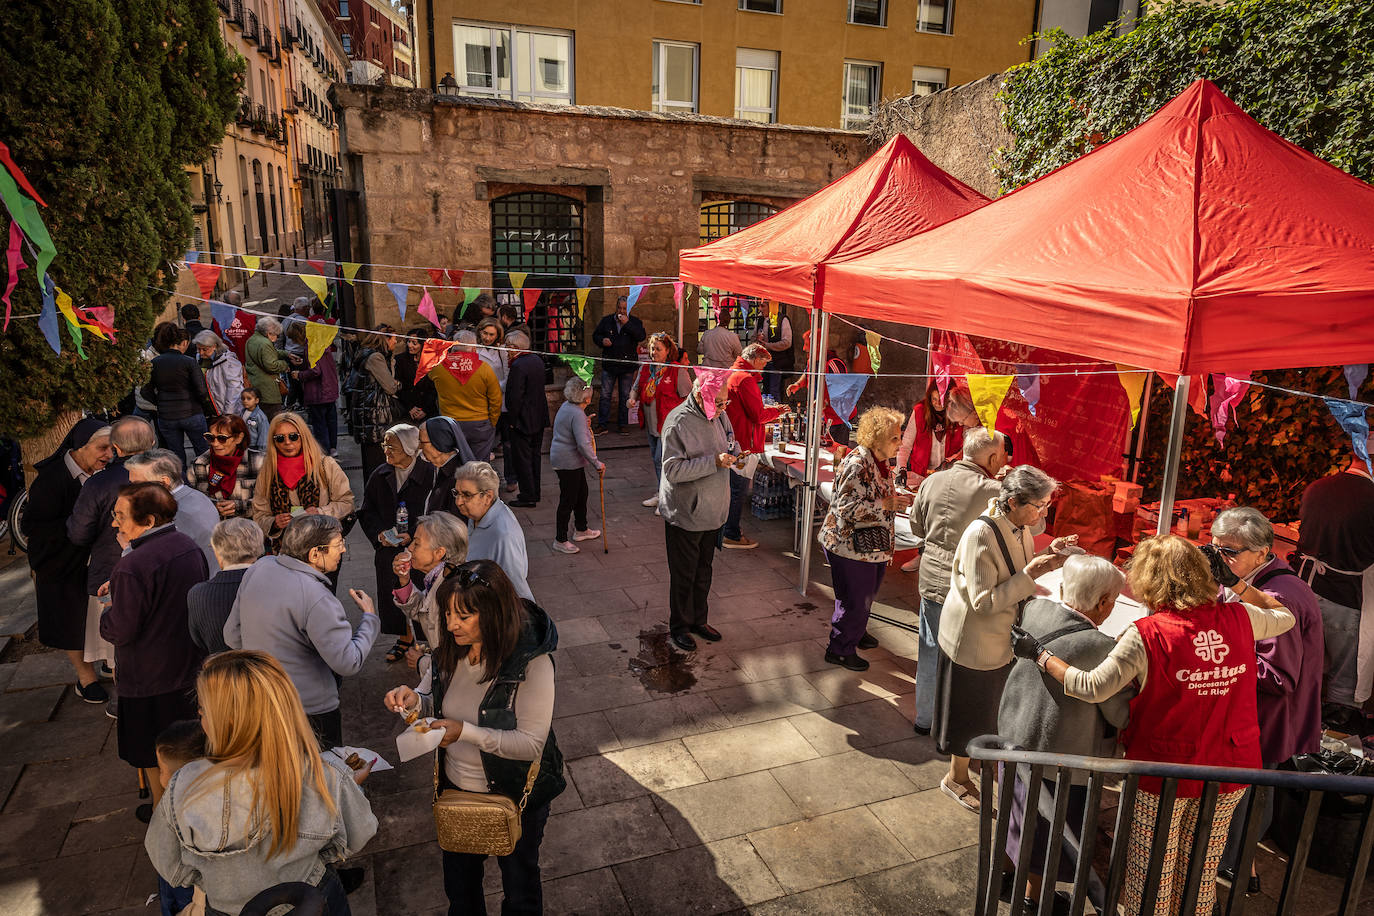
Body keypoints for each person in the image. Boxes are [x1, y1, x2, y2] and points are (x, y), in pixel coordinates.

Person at [1016, 534, 1295, 916]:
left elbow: (1091, 686)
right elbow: (1286, 616)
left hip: (1164, 770)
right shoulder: (1240, 617)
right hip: (1232, 764)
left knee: (1151, 870)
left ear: (1147, 580)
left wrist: (1040, 654)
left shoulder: (1146, 633)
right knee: (1200, 866)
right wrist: (1238, 584)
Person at [382, 560, 565, 916]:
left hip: (515, 797)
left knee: (520, 889)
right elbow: (434, 702)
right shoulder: (451, 650)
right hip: (457, 793)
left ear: (494, 614)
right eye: (448, 613)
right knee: (461, 891)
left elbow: (530, 744)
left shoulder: (533, 663)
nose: (450, 626)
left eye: (463, 617)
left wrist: (463, 731)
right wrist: (413, 702)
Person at [146, 650, 378, 916]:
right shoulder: (321, 775)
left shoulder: (183, 785)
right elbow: (357, 834)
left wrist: (219, 880)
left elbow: (171, 865)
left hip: (225, 908)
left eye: (203, 712)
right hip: (312, 900)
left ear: (227, 721)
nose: (202, 722)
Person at [997, 555, 1134, 911]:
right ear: (1104, 602)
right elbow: (1119, 712)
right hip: (1058, 754)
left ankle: (1003, 879)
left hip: (1013, 735)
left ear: (1062, 588)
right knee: (1045, 835)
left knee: (1015, 818)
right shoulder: (1101, 646)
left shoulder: (1036, 610)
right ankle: (1033, 901)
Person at [936, 464, 1071, 812]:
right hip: (974, 640)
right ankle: (957, 777)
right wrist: (1032, 574)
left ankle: (971, 767)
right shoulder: (982, 533)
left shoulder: (1018, 525)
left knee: (988, 707)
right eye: (1039, 505)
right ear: (1012, 501)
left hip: (997, 638)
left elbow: (1016, 570)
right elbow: (983, 602)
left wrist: (1047, 555)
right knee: (968, 712)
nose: (1043, 512)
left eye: (1046, 505)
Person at [1209, 507, 1324, 891]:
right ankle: (1242, 864)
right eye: (1215, 548)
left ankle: (1237, 864)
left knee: (1248, 795)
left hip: (1267, 716)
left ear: (1262, 553)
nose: (1220, 559)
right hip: (1258, 715)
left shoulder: (1278, 595)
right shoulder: (1253, 579)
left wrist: (1218, 657)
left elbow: (1277, 677)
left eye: (1230, 552)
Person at [225, 515, 380, 749]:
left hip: (263, 702)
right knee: (320, 778)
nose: (344, 550)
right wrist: (369, 617)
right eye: (338, 545)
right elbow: (348, 662)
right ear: (315, 554)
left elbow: (232, 636)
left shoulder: (260, 567)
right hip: (311, 711)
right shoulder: (317, 597)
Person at [100, 482, 210, 812]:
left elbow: (121, 629)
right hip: (187, 668)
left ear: (148, 520)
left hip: (147, 678)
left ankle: (165, 813)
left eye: (120, 515)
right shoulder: (188, 546)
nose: (114, 523)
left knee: (152, 752)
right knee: (191, 748)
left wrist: (107, 611)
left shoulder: (132, 566)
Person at [906, 427, 1010, 733]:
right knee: (964, 659)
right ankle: (952, 726)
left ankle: (924, 718)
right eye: (1002, 453)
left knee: (929, 651)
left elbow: (916, 526)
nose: (1004, 459)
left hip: (932, 579)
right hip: (966, 584)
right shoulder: (993, 490)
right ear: (992, 457)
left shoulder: (932, 480)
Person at [24, 418, 113, 703]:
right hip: (58, 562)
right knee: (69, 621)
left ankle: (106, 661)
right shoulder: (51, 481)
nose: (108, 455)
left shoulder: (103, 471)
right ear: (81, 446)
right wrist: (82, 524)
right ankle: (85, 677)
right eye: (102, 448)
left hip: (90, 559)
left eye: (112, 449)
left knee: (96, 616)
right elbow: (32, 527)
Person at [818, 407, 911, 672]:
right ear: (877, 438)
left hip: (871, 546)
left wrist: (891, 501)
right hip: (850, 547)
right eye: (895, 438)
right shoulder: (857, 463)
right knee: (854, 600)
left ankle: (855, 632)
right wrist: (886, 504)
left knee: (865, 596)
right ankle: (840, 648)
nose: (900, 443)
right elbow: (844, 507)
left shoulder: (880, 461)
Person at [67, 415, 158, 677]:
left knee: (119, 656)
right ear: (151, 442)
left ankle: (125, 709)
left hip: (111, 574)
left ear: (116, 448)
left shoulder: (98, 483)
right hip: (160, 571)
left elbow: (78, 533)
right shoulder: (166, 474)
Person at [1294, 426, 1374, 721]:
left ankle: (1297, 727)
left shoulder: (1317, 487)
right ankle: (1333, 744)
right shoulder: (1371, 498)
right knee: (1343, 679)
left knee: (1303, 667)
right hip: (1346, 599)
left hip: (1305, 590)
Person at [660, 371, 736, 652]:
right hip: (687, 512)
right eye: (718, 402)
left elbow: (730, 437)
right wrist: (714, 461)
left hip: (714, 509)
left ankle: (698, 621)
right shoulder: (677, 422)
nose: (722, 408)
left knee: (704, 570)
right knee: (684, 574)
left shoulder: (720, 414)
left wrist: (734, 451)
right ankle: (679, 626)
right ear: (699, 395)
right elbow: (672, 470)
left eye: (725, 402)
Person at [358, 424, 436, 662]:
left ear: (410, 448)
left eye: (392, 445)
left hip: (421, 549)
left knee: (423, 592)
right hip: (388, 551)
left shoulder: (429, 473)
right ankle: (403, 638)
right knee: (392, 592)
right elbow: (367, 511)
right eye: (385, 445)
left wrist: (413, 534)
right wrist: (379, 535)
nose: (386, 450)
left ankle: (428, 641)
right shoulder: (380, 474)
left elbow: (436, 514)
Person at [249, 411, 354, 553]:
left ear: (303, 437)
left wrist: (320, 512)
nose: (287, 442)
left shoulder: (325, 465)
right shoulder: (268, 472)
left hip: (324, 549)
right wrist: (274, 523)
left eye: (293, 436)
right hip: (286, 553)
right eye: (280, 438)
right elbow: (259, 514)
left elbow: (346, 502)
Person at [723, 343, 786, 549]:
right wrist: (777, 412)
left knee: (732, 487)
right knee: (738, 489)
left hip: (734, 437)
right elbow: (757, 415)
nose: (763, 369)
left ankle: (726, 529)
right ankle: (731, 533)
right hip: (744, 443)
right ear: (756, 359)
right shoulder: (746, 379)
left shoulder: (733, 373)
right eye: (763, 364)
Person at [127, 449, 221, 575]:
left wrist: (126, 548)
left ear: (164, 482)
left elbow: (153, 561)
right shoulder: (197, 496)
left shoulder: (173, 513)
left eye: (137, 484)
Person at [454, 461, 534, 602]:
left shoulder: (503, 535)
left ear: (488, 497)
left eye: (466, 495)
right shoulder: (476, 515)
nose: (458, 501)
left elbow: (516, 591)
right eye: (457, 493)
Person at [628, 331, 691, 510]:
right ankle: (661, 492)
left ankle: (667, 498)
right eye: (652, 349)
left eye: (658, 349)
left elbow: (688, 398)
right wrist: (631, 398)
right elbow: (635, 388)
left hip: (668, 426)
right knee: (656, 460)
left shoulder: (676, 370)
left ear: (667, 350)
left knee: (661, 460)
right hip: (651, 424)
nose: (654, 352)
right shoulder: (646, 368)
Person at [151, 720, 208, 916]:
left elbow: (162, 854)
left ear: (177, 776)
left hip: (185, 884)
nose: (160, 777)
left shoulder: (173, 807)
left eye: (161, 770)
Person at [391, 512, 469, 653]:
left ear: (439, 553)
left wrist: (421, 662)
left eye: (417, 543)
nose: (410, 548)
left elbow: (453, 656)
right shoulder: (437, 578)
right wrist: (404, 580)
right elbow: (424, 612)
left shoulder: (453, 590)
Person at [188, 517, 264, 655]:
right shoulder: (273, 586)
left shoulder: (198, 594)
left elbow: (198, 641)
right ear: (258, 548)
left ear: (218, 552)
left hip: (221, 672)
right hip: (268, 671)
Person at [143, 321, 212, 465]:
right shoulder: (189, 362)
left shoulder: (155, 363)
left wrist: (159, 402)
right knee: (203, 451)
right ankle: (205, 480)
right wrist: (203, 406)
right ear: (181, 342)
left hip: (167, 416)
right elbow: (201, 390)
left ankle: (181, 482)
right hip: (192, 412)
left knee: (176, 454)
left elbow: (145, 391)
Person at [549, 377, 604, 554]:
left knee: (581, 494)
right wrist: (596, 463)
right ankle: (560, 539)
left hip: (569, 460)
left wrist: (584, 423)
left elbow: (573, 431)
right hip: (567, 462)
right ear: (587, 398)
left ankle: (581, 528)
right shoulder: (576, 413)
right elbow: (583, 444)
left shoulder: (568, 408)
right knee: (568, 500)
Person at [429, 328, 502, 461]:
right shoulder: (484, 368)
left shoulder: (438, 368)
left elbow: (429, 379)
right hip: (479, 423)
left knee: (453, 465)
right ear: (474, 349)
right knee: (479, 466)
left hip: (450, 423)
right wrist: (492, 421)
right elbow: (496, 399)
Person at [349, 325, 404, 484]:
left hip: (368, 414)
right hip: (375, 416)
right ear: (385, 339)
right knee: (378, 464)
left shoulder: (368, 355)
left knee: (372, 464)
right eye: (394, 338)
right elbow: (390, 386)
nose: (396, 341)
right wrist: (398, 384)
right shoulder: (375, 358)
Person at [896, 384, 975, 490]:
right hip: (919, 475)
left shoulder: (960, 413)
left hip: (948, 476)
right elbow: (905, 445)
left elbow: (967, 445)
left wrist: (951, 460)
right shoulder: (920, 411)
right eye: (934, 399)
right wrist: (902, 468)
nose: (938, 404)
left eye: (942, 399)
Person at [189, 413, 264, 521]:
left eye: (222, 438)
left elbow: (267, 501)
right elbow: (194, 501)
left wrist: (239, 506)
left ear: (239, 438)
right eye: (210, 437)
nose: (215, 444)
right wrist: (214, 506)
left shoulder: (259, 462)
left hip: (249, 529)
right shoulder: (199, 465)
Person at [504, 329, 549, 508]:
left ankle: (528, 495)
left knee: (522, 459)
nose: (506, 350)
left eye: (508, 346)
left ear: (515, 347)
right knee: (534, 457)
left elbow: (515, 397)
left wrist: (512, 421)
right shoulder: (536, 360)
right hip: (538, 417)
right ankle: (535, 491)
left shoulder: (518, 365)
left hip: (523, 420)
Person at [591, 295, 646, 434]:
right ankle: (602, 424)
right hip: (610, 363)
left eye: (624, 309)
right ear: (616, 307)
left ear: (629, 309)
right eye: (619, 308)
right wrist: (602, 340)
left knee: (625, 395)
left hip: (627, 365)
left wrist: (627, 323)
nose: (621, 311)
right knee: (605, 395)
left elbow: (641, 336)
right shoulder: (607, 321)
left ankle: (623, 424)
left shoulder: (634, 322)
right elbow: (595, 335)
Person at [295, 330, 341, 458]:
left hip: (318, 393)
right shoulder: (323, 346)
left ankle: (324, 450)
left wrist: (299, 375)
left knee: (320, 424)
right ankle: (332, 448)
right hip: (330, 390)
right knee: (331, 421)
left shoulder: (311, 348)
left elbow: (315, 370)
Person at [419, 416, 475, 516]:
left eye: (422, 442)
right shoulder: (433, 467)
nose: (419, 446)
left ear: (439, 443)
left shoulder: (458, 480)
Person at [194, 330, 246, 421]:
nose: (201, 353)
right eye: (198, 349)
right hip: (207, 411)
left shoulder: (228, 361)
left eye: (204, 349)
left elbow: (234, 390)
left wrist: (228, 414)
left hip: (224, 414)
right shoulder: (200, 358)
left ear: (214, 346)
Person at [245, 317, 289, 419]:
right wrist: (284, 364)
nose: (277, 338)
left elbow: (269, 353)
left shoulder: (251, 340)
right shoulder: (265, 343)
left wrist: (286, 354)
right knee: (273, 420)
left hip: (255, 385)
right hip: (268, 390)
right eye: (276, 335)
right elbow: (271, 365)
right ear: (269, 333)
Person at [395, 328, 439, 422]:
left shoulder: (432, 360)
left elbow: (434, 388)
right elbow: (399, 386)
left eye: (414, 343)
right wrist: (410, 407)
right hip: (407, 409)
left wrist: (425, 410)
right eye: (409, 341)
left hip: (429, 409)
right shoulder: (400, 360)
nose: (410, 345)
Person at [752, 304, 793, 400]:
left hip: (776, 361)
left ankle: (776, 413)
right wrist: (757, 340)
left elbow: (787, 342)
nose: (760, 309)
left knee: (774, 391)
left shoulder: (782, 319)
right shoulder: (760, 320)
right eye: (759, 306)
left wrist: (768, 345)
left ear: (771, 306)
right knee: (765, 391)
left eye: (763, 306)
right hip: (762, 362)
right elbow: (753, 339)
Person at [698, 303, 742, 370]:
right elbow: (739, 354)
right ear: (729, 321)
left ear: (715, 319)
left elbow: (700, 350)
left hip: (709, 371)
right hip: (726, 371)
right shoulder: (733, 337)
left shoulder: (707, 334)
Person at [241, 387, 269, 453]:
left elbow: (264, 434)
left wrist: (262, 450)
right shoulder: (242, 412)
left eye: (249, 398)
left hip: (254, 446)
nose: (245, 401)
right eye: (243, 398)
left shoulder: (261, 417)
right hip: (244, 444)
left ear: (256, 400)